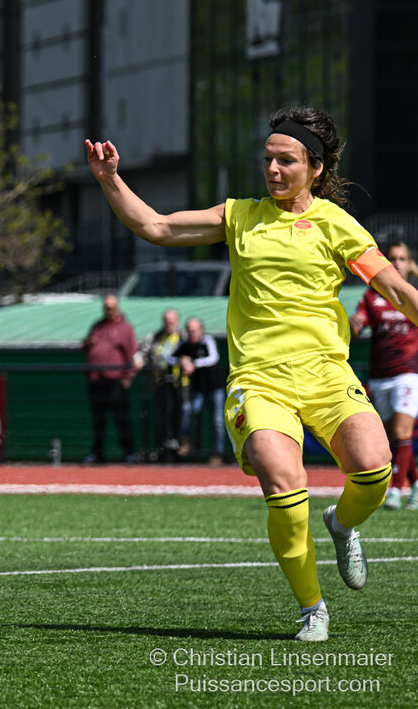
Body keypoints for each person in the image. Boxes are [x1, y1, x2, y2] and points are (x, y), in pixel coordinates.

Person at [86, 106, 417, 642]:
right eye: (267, 159)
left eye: (286, 160)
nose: (273, 170)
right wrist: (109, 179)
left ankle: (342, 524)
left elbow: (397, 290)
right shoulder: (240, 216)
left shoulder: (336, 224)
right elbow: (156, 226)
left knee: (376, 470)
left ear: (315, 167)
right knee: (285, 485)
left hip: (327, 374)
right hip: (258, 381)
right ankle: (312, 609)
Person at [350, 241, 418, 510]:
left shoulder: (413, 295)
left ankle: (395, 491)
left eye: (402, 258)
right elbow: (358, 325)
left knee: (402, 431)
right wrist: (353, 325)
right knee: (395, 437)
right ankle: (415, 484)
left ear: (409, 264)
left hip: (408, 372)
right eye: (392, 258)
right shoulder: (372, 295)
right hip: (380, 374)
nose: (397, 263)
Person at [82, 294, 140, 464]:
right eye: (106, 308)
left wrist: (128, 377)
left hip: (115, 381)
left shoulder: (125, 328)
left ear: (117, 308)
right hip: (96, 380)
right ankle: (97, 453)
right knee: (98, 420)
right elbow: (84, 347)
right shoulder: (97, 326)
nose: (109, 311)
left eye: (111, 307)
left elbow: (132, 354)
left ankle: (128, 452)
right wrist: (89, 343)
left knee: (121, 418)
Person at [167, 316, 228, 466]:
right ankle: (188, 446)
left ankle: (218, 453)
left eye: (194, 330)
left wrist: (193, 363)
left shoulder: (208, 341)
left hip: (215, 386)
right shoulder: (185, 344)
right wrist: (182, 361)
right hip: (198, 388)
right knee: (189, 410)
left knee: (218, 420)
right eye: (189, 330)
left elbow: (213, 358)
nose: (192, 333)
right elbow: (169, 358)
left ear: (201, 330)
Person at [140, 308, 183, 461]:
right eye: (166, 320)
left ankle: (179, 450)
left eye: (172, 320)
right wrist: (138, 360)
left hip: (181, 386)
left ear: (177, 321)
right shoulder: (155, 338)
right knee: (161, 418)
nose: (169, 323)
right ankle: (162, 451)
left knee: (180, 416)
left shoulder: (183, 337)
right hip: (160, 384)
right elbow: (142, 353)